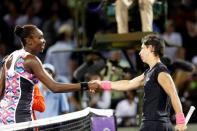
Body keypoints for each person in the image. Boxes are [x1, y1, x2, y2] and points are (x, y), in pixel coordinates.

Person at [0, 24, 98, 125]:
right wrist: (87, 85)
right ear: (29, 40)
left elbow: (1, 91)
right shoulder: (31, 60)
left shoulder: (9, 57)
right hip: (20, 118)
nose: (44, 40)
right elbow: (54, 87)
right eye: (40, 37)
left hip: (3, 117)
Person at [94, 34, 187, 131]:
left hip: (157, 125)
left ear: (151, 48)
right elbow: (128, 84)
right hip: (150, 124)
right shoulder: (149, 72)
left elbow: (173, 93)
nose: (139, 53)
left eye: (142, 48)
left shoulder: (161, 71)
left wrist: (180, 121)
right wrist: (102, 84)